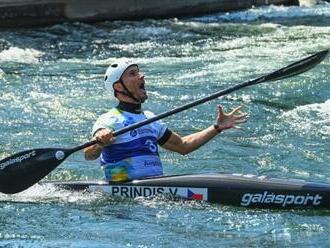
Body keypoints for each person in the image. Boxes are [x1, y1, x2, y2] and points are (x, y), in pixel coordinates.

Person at [84, 60, 247, 182]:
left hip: (154, 191)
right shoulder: (109, 119)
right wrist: (100, 142)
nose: (141, 76)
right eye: (132, 74)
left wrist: (217, 127)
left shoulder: (150, 119)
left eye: (138, 72)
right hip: (124, 195)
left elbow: (183, 145)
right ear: (118, 87)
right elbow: (89, 154)